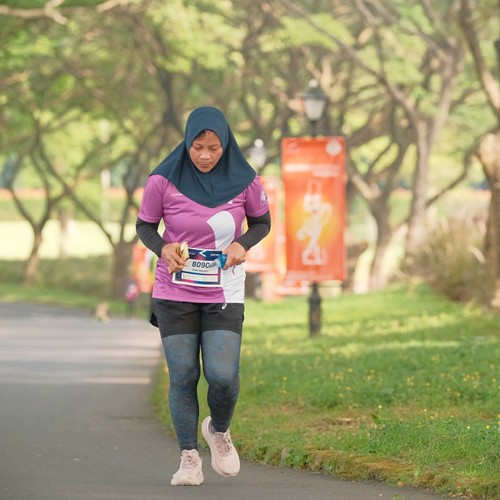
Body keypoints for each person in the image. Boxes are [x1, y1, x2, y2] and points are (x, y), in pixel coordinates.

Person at [136, 106, 271, 486]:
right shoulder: (163, 180)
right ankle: (189, 457)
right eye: (197, 147)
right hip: (174, 290)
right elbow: (145, 226)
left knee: (222, 376)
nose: (205, 156)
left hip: (224, 290)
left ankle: (219, 430)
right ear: (187, 143)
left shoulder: (246, 180)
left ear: (226, 145)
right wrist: (163, 248)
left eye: (214, 148)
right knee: (183, 374)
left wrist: (243, 244)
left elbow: (262, 222)